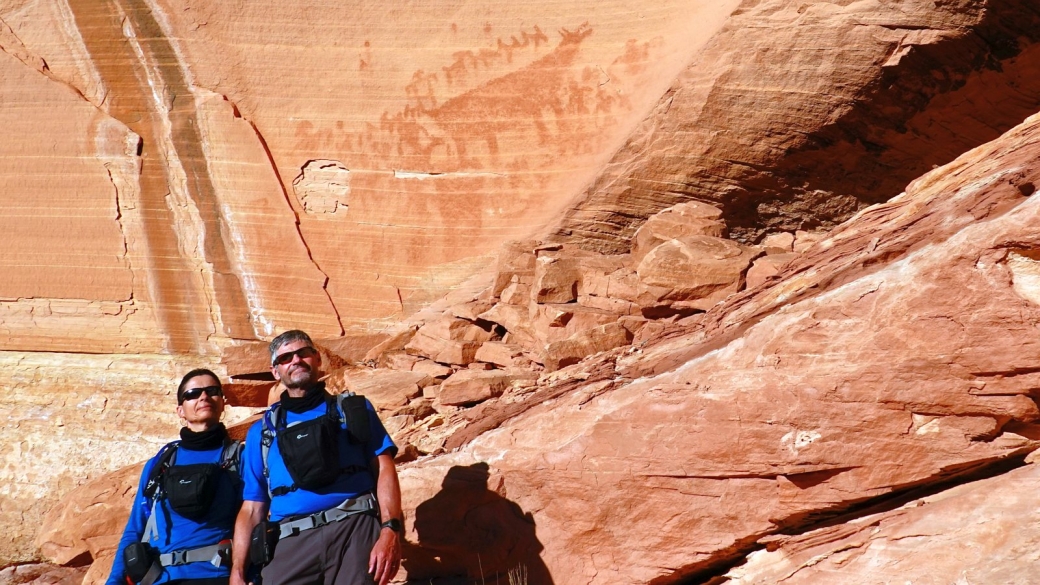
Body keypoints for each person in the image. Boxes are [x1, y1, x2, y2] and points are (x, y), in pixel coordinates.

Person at [230, 330, 403, 585]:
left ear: (317, 359)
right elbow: (253, 506)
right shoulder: (262, 432)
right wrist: (237, 571)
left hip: (353, 530)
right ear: (275, 371)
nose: (296, 360)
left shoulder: (352, 410)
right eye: (286, 357)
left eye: (303, 353)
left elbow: (384, 468)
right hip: (290, 540)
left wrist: (390, 530)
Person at [107, 369, 242, 585]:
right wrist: (114, 582)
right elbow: (135, 527)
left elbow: (254, 516)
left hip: (215, 576)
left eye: (212, 391)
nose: (203, 397)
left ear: (223, 402)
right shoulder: (160, 463)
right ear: (180, 410)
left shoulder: (238, 458)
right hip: (161, 578)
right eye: (193, 394)